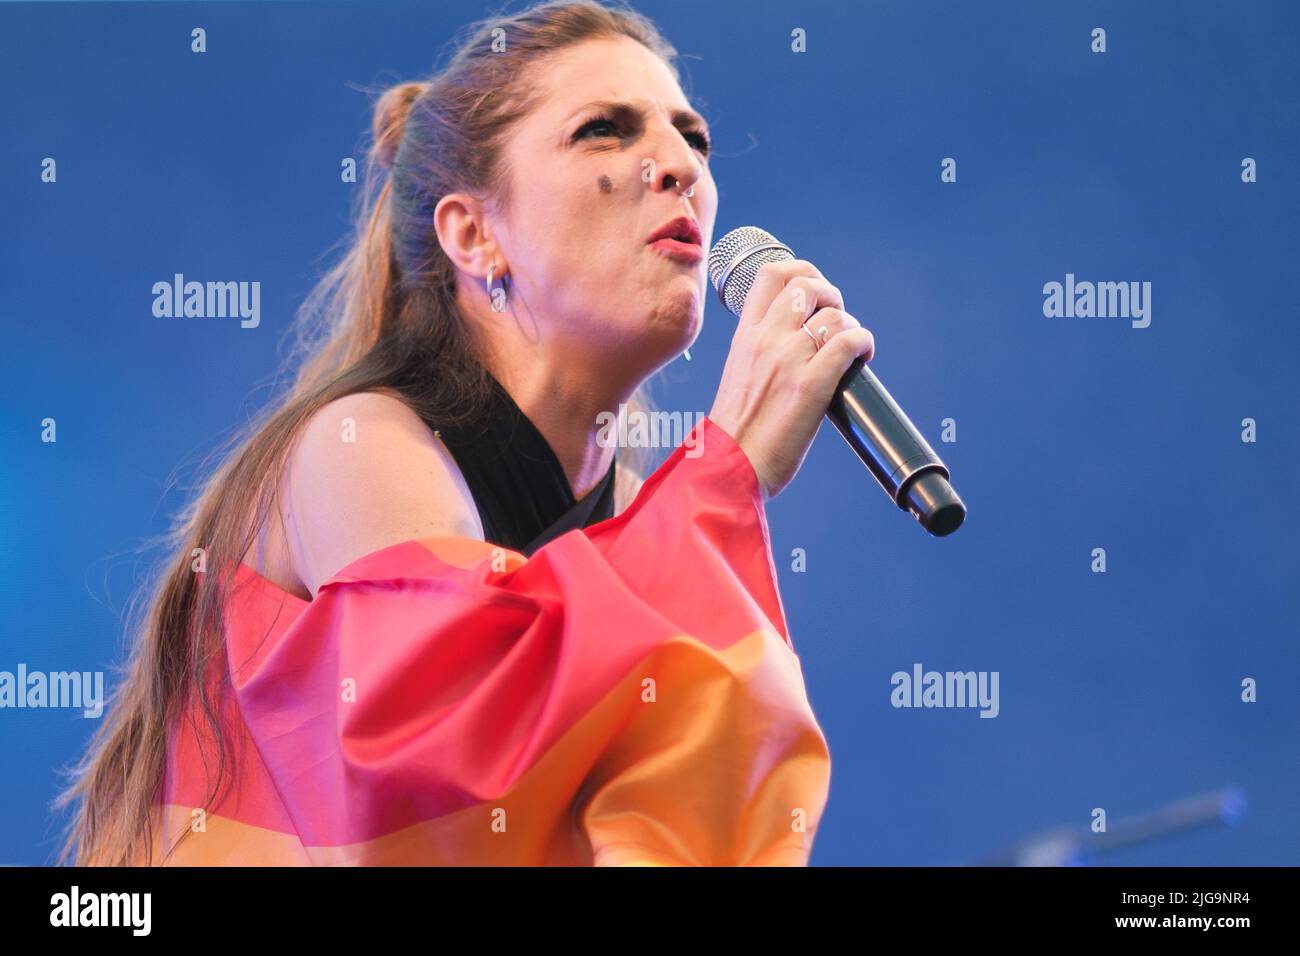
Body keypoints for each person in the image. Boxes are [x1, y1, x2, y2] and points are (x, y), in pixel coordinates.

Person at [57, 0, 875, 866]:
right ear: (473, 234)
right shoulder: (363, 447)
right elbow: (455, 782)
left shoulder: (644, 527)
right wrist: (727, 468)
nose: (680, 166)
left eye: (694, 139)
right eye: (604, 131)